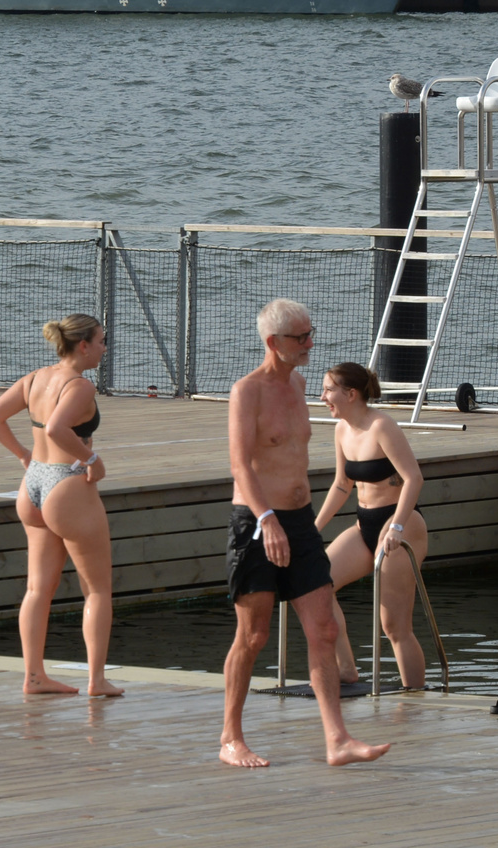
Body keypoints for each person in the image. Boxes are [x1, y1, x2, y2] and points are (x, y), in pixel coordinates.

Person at [219, 299, 390, 768]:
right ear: (274, 342)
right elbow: (240, 464)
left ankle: (337, 739)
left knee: (324, 627)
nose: (311, 344)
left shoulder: (297, 385)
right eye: (301, 338)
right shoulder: (246, 392)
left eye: (311, 333)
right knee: (253, 636)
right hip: (257, 522)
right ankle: (231, 737)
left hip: (299, 520)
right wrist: (266, 520)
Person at [0, 313, 123, 699]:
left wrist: (24, 456)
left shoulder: (35, 378)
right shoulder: (80, 386)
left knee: (37, 588)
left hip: (33, 485)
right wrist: (93, 461)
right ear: (83, 345)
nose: (104, 348)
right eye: (101, 341)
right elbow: (60, 429)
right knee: (97, 590)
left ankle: (34, 676)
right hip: (67, 484)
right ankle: (96, 680)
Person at [311, 362, 430, 690]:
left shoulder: (382, 426)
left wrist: (398, 528)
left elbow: (413, 478)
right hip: (365, 524)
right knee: (318, 586)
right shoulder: (341, 430)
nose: (322, 397)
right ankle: (346, 669)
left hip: (401, 523)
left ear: (351, 394)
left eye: (328, 390)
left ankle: (415, 698)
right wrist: (313, 529)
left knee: (393, 626)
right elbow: (341, 485)